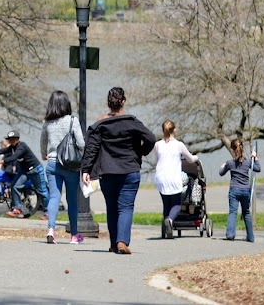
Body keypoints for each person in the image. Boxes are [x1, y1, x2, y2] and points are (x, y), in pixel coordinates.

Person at [80, 86, 156, 255]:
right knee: (126, 207)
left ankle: (115, 244)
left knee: (112, 208)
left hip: (107, 173)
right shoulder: (132, 122)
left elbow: (91, 148)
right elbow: (151, 138)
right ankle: (122, 242)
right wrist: (141, 152)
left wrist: (86, 169)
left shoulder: (101, 124)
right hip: (130, 171)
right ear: (123, 102)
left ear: (109, 103)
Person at [40, 90, 85, 245]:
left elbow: (43, 142)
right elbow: (81, 143)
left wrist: (44, 154)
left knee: (54, 197)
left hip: (52, 164)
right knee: (72, 200)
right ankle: (74, 236)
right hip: (70, 165)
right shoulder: (72, 120)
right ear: (66, 104)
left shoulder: (47, 122)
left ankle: (51, 230)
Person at [0, 130, 48, 218]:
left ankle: (49, 212)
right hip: (25, 171)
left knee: (41, 191)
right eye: (10, 139)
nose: (11, 141)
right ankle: (17, 209)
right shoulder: (12, 147)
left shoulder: (22, 146)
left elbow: (14, 157)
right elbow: (3, 150)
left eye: (13, 139)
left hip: (35, 170)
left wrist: (0, 161)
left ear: (18, 139)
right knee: (15, 186)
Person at [153, 120, 197, 239]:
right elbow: (190, 159)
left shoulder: (157, 145)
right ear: (175, 130)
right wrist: (196, 157)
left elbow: (156, 163)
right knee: (177, 204)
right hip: (173, 177)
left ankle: (168, 230)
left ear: (163, 130)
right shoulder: (179, 144)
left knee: (166, 204)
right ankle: (170, 220)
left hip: (161, 178)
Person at [220, 138, 259, 242]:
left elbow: (221, 173)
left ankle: (230, 234)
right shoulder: (248, 162)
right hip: (246, 190)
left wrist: (223, 166)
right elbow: (258, 169)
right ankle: (250, 237)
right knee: (246, 212)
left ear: (232, 150)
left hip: (234, 190)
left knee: (233, 212)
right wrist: (255, 158)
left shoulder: (229, 163)